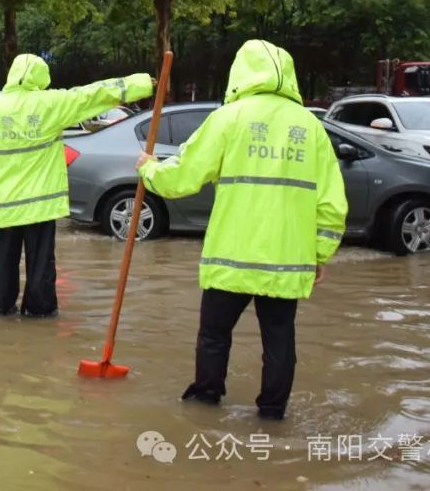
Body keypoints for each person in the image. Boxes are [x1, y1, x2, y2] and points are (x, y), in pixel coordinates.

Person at [135, 40, 347, 420]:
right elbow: (332, 203)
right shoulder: (310, 127)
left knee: (214, 335)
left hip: (230, 257)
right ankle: (273, 415)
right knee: (279, 339)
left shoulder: (228, 119)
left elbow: (183, 176)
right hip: (286, 259)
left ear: (240, 72)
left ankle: (205, 402)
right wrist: (319, 254)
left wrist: (149, 169)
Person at [0, 54, 153, 317]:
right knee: (41, 264)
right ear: (42, 76)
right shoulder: (52, 103)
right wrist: (142, 83)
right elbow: (94, 94)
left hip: (5, 207)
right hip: (40, 205)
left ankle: (2, 311)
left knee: (2, 264)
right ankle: (39, 314)